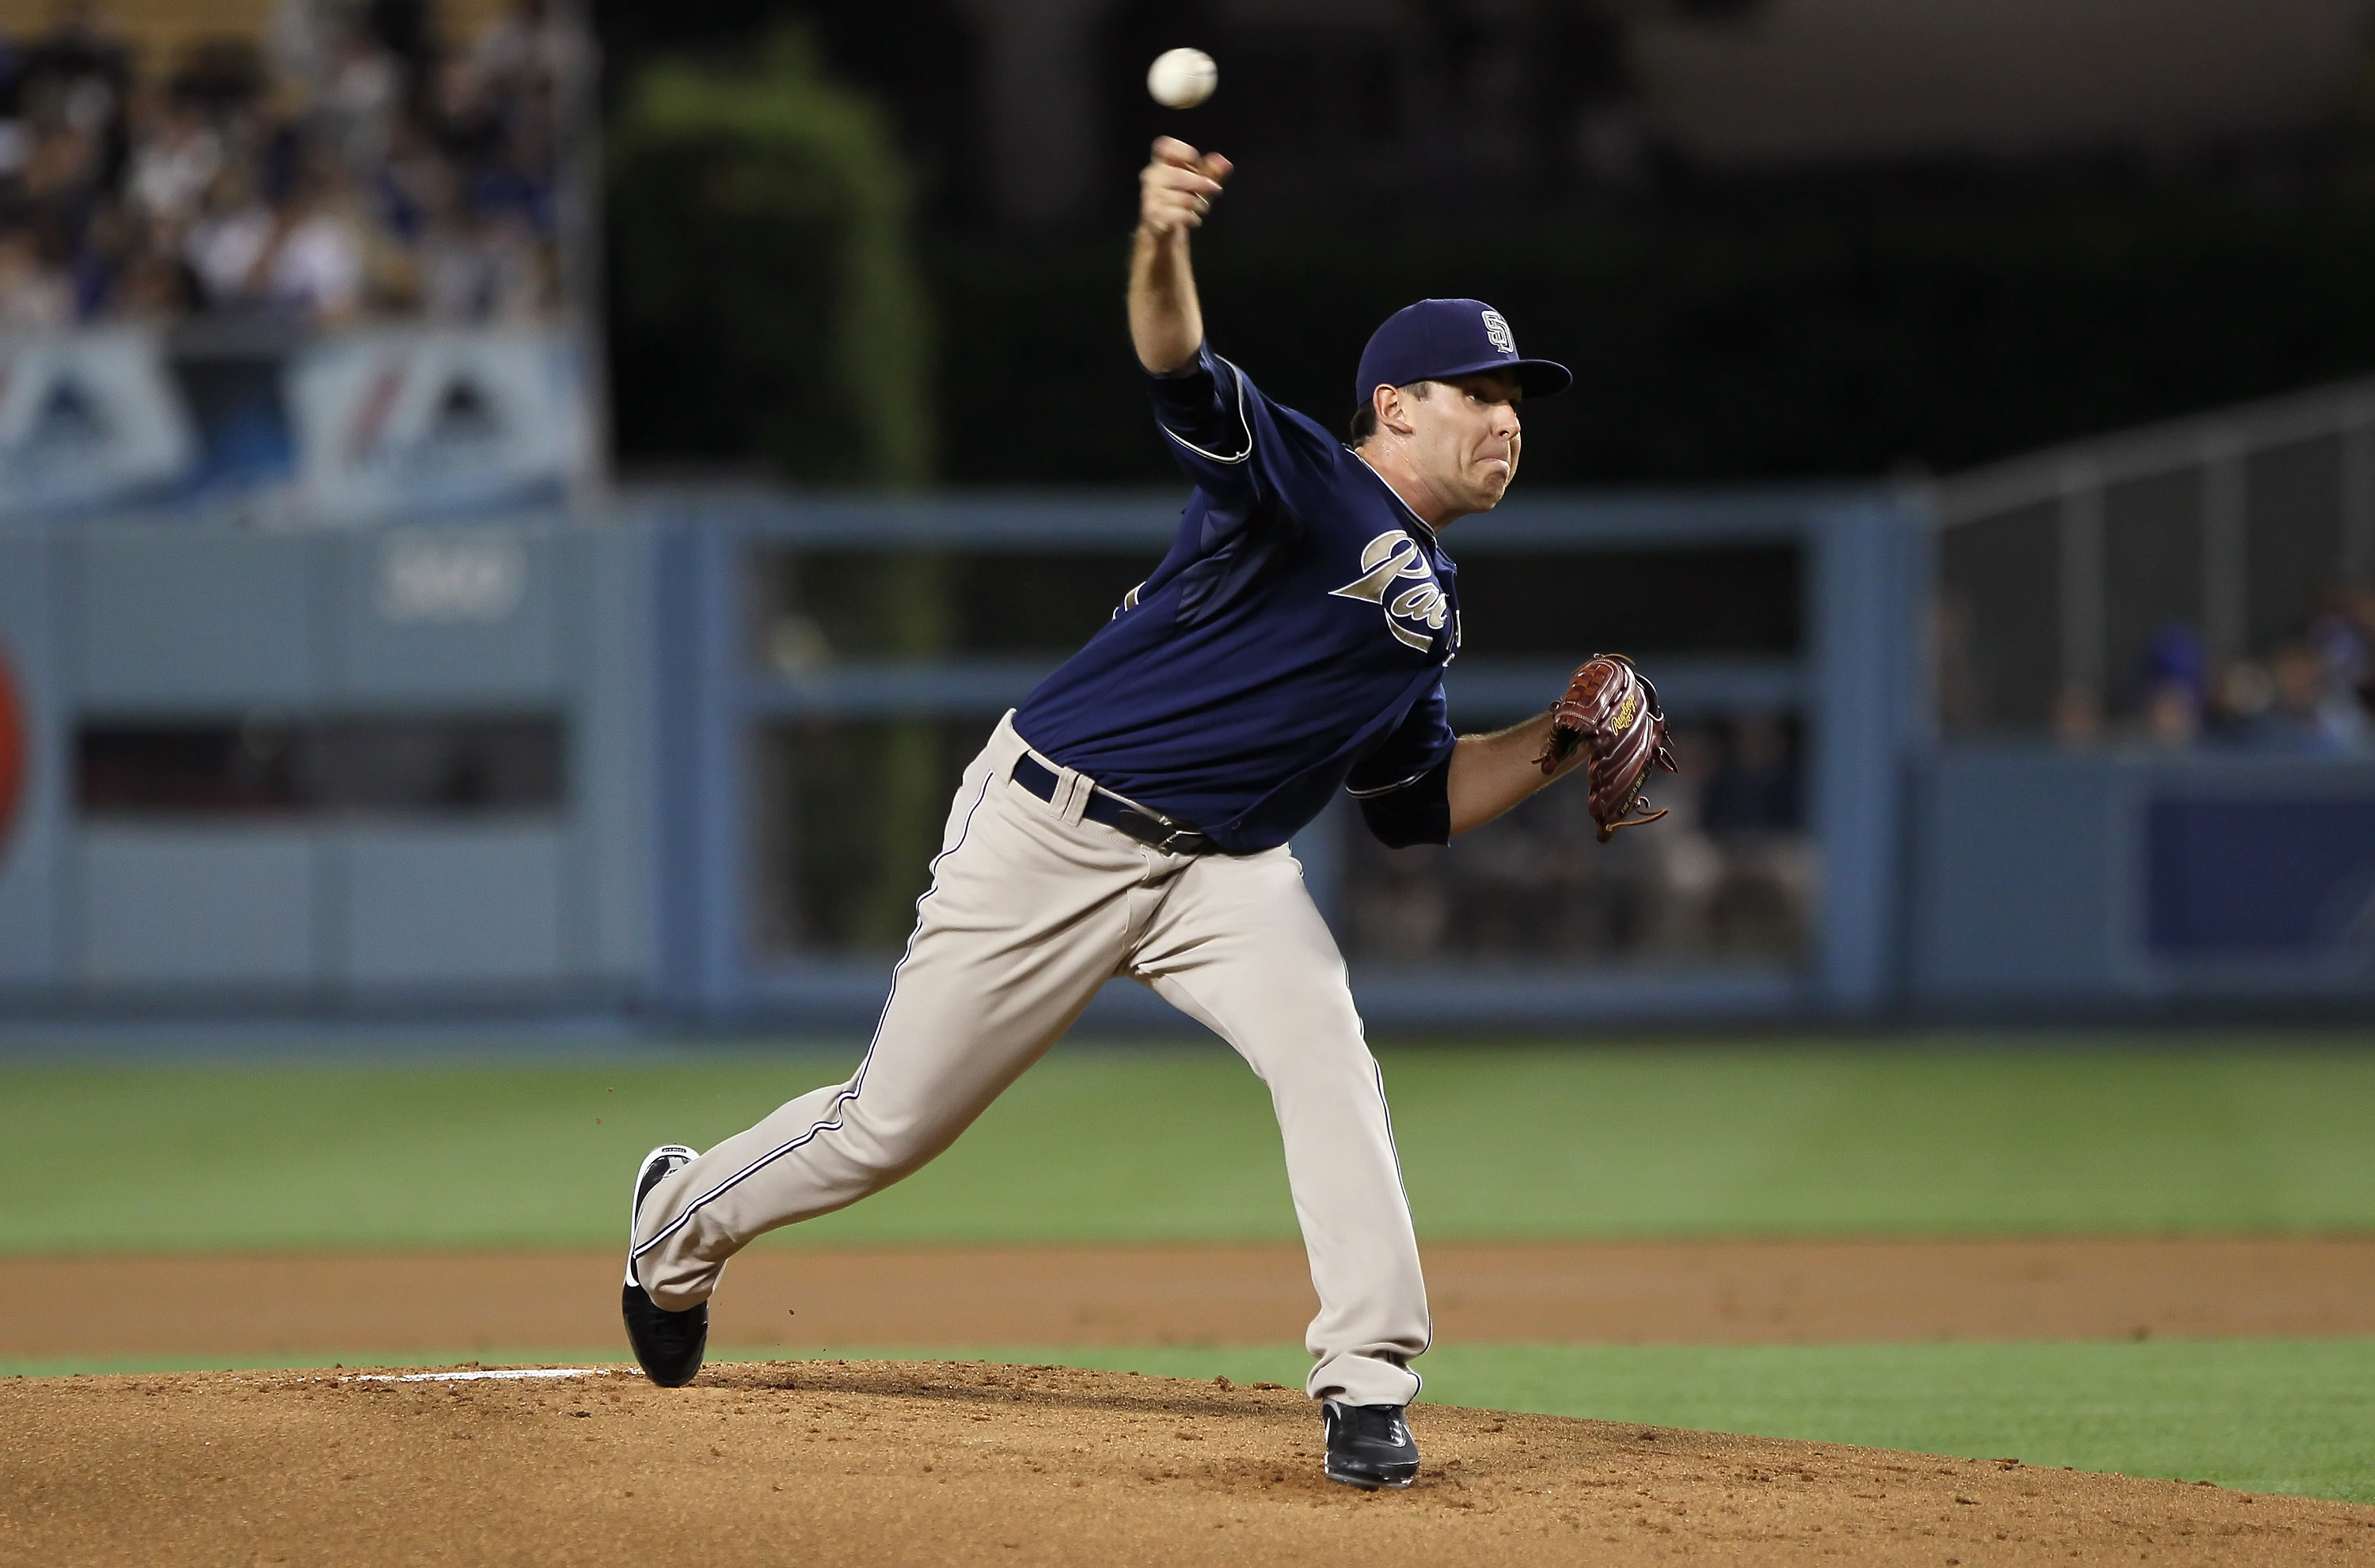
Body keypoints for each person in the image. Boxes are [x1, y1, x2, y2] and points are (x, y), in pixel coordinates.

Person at [622, 137, 1606, 1491]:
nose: (1507, 417)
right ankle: (675, 1225)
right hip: (1053, 823)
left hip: (1225, 875)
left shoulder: (1428, 614)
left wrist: (1559, 741)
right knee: (887, 1126)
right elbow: (1176, 365)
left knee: (1329, 1054)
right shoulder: (1304, 481)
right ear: (1395, 404)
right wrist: (1160, 239)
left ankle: (1368, 1381)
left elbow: (1417, 805)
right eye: (1477, 391)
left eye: (1518, 398)